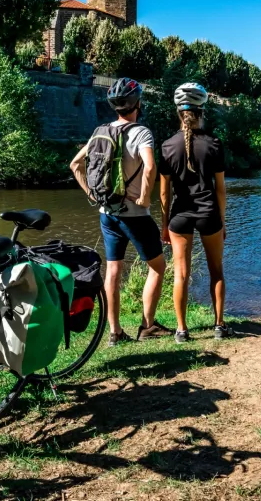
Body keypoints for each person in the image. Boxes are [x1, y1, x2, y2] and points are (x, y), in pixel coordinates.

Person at [70, 77, 171, 346]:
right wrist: (144, 197)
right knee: (158, 267)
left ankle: (115, 333)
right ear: (137, 103)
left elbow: (74, 165)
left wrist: (91, 194)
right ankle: (148, 325)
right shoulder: (141, 132)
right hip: (135, 216)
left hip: (108, 213)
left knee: (113, 271)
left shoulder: (100, 131)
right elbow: (150, 167)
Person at [159, 82, 232, 343]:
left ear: (179, 113)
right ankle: (219, 326)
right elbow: (220, 189)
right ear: (202, 112)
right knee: (216, 271)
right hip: (209, 212)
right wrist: (222, 222)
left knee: (181, 274)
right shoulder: (213, 144)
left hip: (180, 215)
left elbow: (165, 193)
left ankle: (181, 330)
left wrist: (165, 223)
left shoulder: (167, 146)